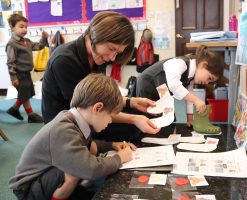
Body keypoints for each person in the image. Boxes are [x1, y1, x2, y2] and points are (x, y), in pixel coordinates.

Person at [9, 74, 136, 200]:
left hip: (45, 176)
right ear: (97, 108)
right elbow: (89, 169)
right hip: (28, 189)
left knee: (82, 159)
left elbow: (90, 145)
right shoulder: (63, 130)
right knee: (76, 169)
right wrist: (120, 158)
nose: (110, 121)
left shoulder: (73, 119)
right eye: (111, 116)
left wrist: (112, 145)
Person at [42, 11, 160, 142]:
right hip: (66, 124)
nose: (112, 57)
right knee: (133, 128)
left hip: (90, 112)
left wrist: (131, 102)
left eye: (117, 52)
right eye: (111, 49)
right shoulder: (64, 60)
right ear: (96, 36)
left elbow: (98, 96)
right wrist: (132, 119)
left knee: (140, 116)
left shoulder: (98, 56)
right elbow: (87, 109)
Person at [135, 45, 224, 127]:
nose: (207, 82)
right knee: (147, 122)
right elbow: (174, 86)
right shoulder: (180, 63)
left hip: (162, 93)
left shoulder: (191, 76)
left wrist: (190, 119)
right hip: (148, 87)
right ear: (203, 65)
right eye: (209, 78)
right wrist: (197, 101)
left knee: (168, 121)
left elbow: (188, 96)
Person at [6, 14, 49, 123]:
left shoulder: (27, 42)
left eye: (26, 27)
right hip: (19, 74)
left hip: (27, 73)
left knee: (26, 93)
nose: (24, 29)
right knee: (25, 94)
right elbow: (10, 62)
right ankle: (30, 115)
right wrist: (13, 77)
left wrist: (44, 38)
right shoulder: (12, 44)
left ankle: (14, 109)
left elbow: (39, 46)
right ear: (12, 27)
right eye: (21, 26)